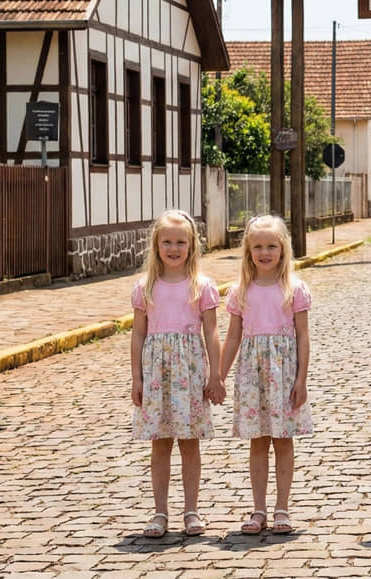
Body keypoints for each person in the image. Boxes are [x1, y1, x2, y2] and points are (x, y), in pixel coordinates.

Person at [129, 209, 223, 538]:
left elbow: (211, 332)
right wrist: (137, 378)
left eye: (180, 242)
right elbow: (138, 334)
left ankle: (192, 510)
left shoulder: (202, 286)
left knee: (189, 443)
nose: (173, 248)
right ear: (156, 245)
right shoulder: (146, 287)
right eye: (167, 241)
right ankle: (159, 512)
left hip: (190, 372)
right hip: (157, 374)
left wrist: (216, 375)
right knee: (160, 443)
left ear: (192, 245)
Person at [219, 215, 313, 535]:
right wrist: (219, 374)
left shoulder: (294, 289)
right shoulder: (240, 291)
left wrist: (301, 379)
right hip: (252, 376)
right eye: (258, 246)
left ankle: (282, 507)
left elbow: (302, 336)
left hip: (284, 375)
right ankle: (258, 508)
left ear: (283, 249)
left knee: (283, 441)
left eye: (271, 246)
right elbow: (232, 337)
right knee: (258, 442)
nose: (265, 252)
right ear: (248, 252)